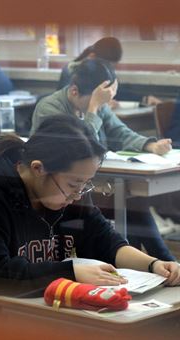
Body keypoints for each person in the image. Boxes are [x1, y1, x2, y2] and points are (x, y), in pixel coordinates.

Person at [0, 115, 180, 296]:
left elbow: (104, 239)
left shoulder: (66, 192)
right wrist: (71, 272)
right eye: (75, 184)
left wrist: (153, 265)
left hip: (36, 309)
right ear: (38, 168)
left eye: (85, 184)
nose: (78, 195)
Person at [32, 58, 175, 261]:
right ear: (74, 91)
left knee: (135, 204)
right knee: (132, 206)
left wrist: (150, 145)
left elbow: (120, 131)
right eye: (99, 100)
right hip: (63, 190)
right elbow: (78, 150)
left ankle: (161, 261)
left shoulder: (98, 105)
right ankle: (163, 260)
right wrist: (93, 109)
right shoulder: (49, 108)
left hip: (91, 185)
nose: (103, 105)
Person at [57, 37, 161, 106]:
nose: (108, 70)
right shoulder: (71, 72)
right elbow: (71, 101)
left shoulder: (101, 70)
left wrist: (143, 98)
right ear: (92, 57)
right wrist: (100, 104)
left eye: (112, 66)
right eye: (106, 65)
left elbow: (115, 92)